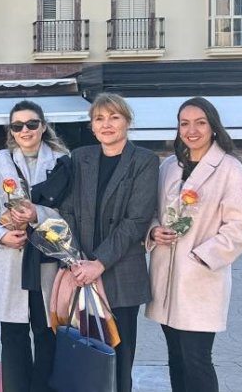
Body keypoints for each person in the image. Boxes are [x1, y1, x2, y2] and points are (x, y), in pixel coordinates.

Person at [145, 97, 242, 392]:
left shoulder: (230, 169)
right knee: (176, 358)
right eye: (184, 123)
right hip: (166, 280)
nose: (191, 130)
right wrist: (155, 231)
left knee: (197, 360)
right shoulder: (169, 167)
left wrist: (201, 257)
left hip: (200, 280)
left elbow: (241, 229)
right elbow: (153, 212)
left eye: (200, 122)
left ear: (213, 127)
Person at [59, 93, 160, 392]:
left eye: (114, 117)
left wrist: (99, 263)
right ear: (91, 126)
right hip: (80, 273)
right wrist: (76, 259)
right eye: (99, 118)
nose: (107, 124)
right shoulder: (80, 158)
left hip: (120, 274)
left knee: (120, 354)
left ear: (127, 122)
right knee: (86, 353)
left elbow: (136, 220)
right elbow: (67, 211)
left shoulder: (144, 161)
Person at [0, 102, 68, 392]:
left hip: (46, 261)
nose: (24, 130)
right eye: (17, 126)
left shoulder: (62, 160)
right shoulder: (0, 161)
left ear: (43, 126)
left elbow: (72, 211)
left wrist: (37, 215)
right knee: (12, 337)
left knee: (46, 334)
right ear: (10, 131)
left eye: (31, 124)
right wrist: (0, 233)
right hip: (10, 258)